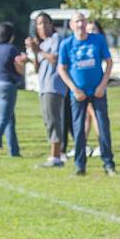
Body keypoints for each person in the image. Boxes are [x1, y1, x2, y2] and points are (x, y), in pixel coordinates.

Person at [57, 12, 115, 176]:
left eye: (82, 21)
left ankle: (108, 163)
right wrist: (74, 89)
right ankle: (79, 165)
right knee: (79, 129)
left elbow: (109, 62)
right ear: (71, 25)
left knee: (103, 126)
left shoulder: (98, 40)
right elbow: (61, 68)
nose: (80, 24)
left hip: (97, 91)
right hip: (78, 93)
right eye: (77, 21)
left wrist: (103, 85)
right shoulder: (67, 44)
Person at [25, 12, 67, 168]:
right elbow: (37, 68)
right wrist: (34, 53)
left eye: (43, 23)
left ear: (51, 24)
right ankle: (55, 154)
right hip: (43, 86)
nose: (40, 26)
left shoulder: (56, 39)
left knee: (53, 120)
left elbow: (55, 59)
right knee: (48, 120)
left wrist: (39, 51)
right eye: (38, 24)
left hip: (54, 86)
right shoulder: (42, 43)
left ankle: (56, 156)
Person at [0, 22, 26, 158]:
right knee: (3, 120)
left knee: (9, 119)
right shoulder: (11, 49)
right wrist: (23, 65)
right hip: (7, 86)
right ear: (11, 36)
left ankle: (14, 150)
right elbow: (18, 69)